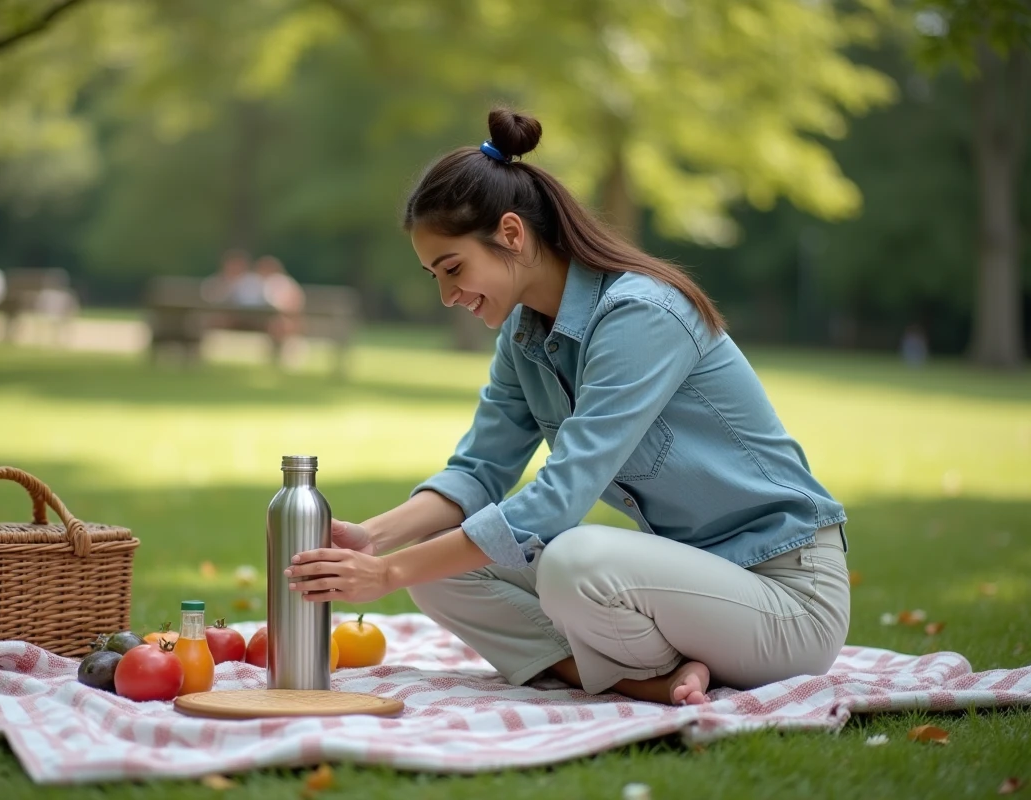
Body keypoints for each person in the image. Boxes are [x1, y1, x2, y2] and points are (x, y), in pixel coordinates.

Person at [284, 109, 850, 706]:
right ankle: (655, 680)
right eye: (434, 276)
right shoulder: (523, 337)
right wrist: (374, 540)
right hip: (692, 582)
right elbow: (478, 472)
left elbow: (558, 500)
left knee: (571, 563)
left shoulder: (641, 315)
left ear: (511, 233)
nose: (448, 295)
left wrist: (390, 576)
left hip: (787, 598)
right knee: (440, 570)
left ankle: (659, 665)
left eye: (453, 269)